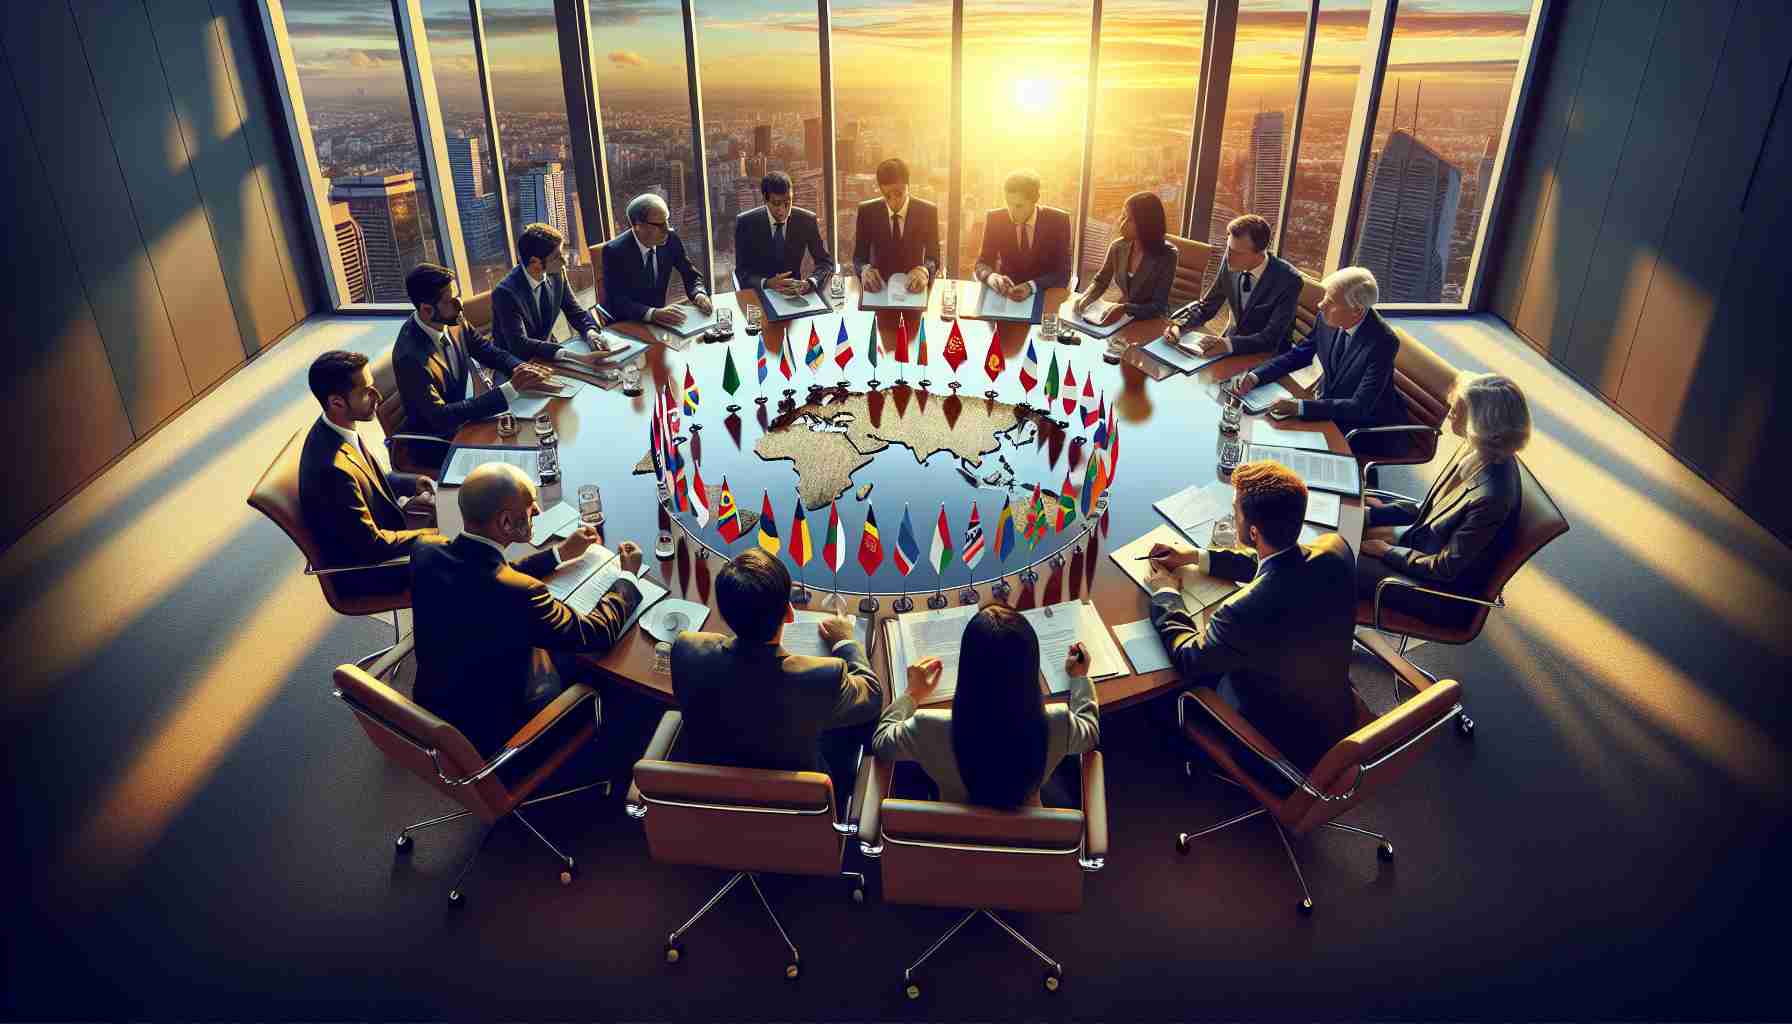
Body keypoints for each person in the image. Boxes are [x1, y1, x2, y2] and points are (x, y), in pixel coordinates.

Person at [1145, 461, 1357, 788]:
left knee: (1170, 692)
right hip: (1337, 722)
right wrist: (1195, 557)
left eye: (1236, 511)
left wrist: (1167, 594)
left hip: (1279, 754)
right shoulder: (1335, 551)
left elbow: (1190, 658)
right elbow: (1281, 563)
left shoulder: (1243, 612)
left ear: (1254, 531)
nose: (1233, 515)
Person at [410, 462, 645, 758]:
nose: (537, 512)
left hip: (437, 707)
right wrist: (628, 578)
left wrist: (558, 555)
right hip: (500, 733)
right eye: (530, 507)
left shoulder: (426, 551)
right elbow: (594, 633)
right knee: (609, 672)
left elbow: (485, 573)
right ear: (506, 523)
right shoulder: (520, 594)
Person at [670, 549, 881, 810]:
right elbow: (871, 696)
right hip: (798, 811)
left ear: (723, 614)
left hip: (713, 804)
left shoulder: (686, 651)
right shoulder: (821, 678)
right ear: (789, 613)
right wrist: (847, 642)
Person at [873, 605, 1098, 808]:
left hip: (955, 839)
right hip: (1029, 838)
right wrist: (1079, 678)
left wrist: (912, 694)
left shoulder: (926, 728)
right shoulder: (1059, 722)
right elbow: (1090, 732)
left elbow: (882, 741)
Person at [1358, 373, 1531, 626]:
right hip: (1420, 550)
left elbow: (1445, 569)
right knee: (1341, 533)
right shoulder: (1477, 448)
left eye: (1459, 410)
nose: (1450, 413)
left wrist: (1387, 552)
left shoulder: (1494, 497)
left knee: (1333, 564)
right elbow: (1430, 507)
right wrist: (1371, 516)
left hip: (1436, 593)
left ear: (1483, 425)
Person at [297, 350, 435, 597]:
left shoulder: (338, 429)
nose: (378, 396)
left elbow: (370, 479)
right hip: (372, 572)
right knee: (476, 565)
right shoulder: (332, 470)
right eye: (366, 392)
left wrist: (412, 483)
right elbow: (373, 546)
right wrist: (439, 534)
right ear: (336, 402)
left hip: (385, 535)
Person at [1228, 266, 1405, 445]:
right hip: (1329, 407)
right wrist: (1255, 376)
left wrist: (1300, 407)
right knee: (1258, 429)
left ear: (1357, 311)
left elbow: (1359, 407)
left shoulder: (1383, 342)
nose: (1321, 305)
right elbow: (1299, 355)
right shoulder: (1327, 317)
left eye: (1331, 301)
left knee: (1285, 442)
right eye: (1325, 296)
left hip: (1364, 428)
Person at [393, 262, 551, 441]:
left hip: (467, 423)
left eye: (457, 296)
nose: (459, 305)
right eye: (449, 301)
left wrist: (521, 369)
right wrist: (508, 389)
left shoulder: (453, 321)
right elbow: (440, 417)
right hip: (441, 441)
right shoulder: (410, 357)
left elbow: (486, 350)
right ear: (427, 310)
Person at [1165, 213, 1301, 356]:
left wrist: (1228, 344)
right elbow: (1207, 307)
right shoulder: (1231, 259)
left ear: (1259, 253)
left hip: (1266, 357)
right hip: (1229, 347)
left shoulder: (1289, 280)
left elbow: (1271, 338)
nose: (1228, 256)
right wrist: (1179, 326)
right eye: (1228, 248)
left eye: (1236, 252)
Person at [489, 221, 608, 366]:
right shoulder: (505, 294)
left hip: (549, 354)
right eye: (556, 257)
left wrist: (591, 333)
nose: (564, 261)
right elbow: (519, 345)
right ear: (535, 263)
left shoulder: (557, 274)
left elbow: (574, 312)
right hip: (517, 366)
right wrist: (574, 356)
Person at [600, 193, 712, 327]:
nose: (667, 229)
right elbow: (616, 301)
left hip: (660, 324)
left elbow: (690, 275)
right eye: (659, 224)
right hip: (627, 326)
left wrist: (698, 293)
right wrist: (652, 313)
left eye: (667, 220)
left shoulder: (671, 239)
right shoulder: (614, 251)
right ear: (638, 225)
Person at [1073, 191, 1178, 323]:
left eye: (1129, 219)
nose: (1121, 223)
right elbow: (1100, 281)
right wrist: (1085, 299)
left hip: (1152, 322)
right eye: (1123, 216)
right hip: (1123, 319)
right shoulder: (1118, 247)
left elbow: (1158, 306)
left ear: (1145, 224)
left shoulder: (1167, 256)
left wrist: (1124, 309)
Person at [973, 170, 1072, 299]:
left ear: (1035, 199)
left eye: (1019, 206)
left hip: (1043, 296)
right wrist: (991, 277)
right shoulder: (995, 218)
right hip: (1006, 296)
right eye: (1009, 204)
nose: (1012, 213)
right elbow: (982, 263)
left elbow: (1063, 273)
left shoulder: (1058, 221)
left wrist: (1031, 286)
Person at [734, 171, 833, 296]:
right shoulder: (746, 223)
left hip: (795, 294)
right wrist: (767, 283)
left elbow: (825, 263)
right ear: (765, 199)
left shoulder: (806, 220)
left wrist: (811, 282)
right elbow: (741, 272)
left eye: (788, 202)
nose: (783, 210)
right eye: (776, 203)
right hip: (760, 295)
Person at [852, 157, 941, 296]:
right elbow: (858, 258)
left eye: (899, 194)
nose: (893, 202)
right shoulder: (867, 211)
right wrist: (865, 270)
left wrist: (924, 270)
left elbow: (934, 257)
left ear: (908, 186)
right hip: (878, 289)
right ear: (880, 190)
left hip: (914, 288)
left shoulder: (927, 211)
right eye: (887, 196)